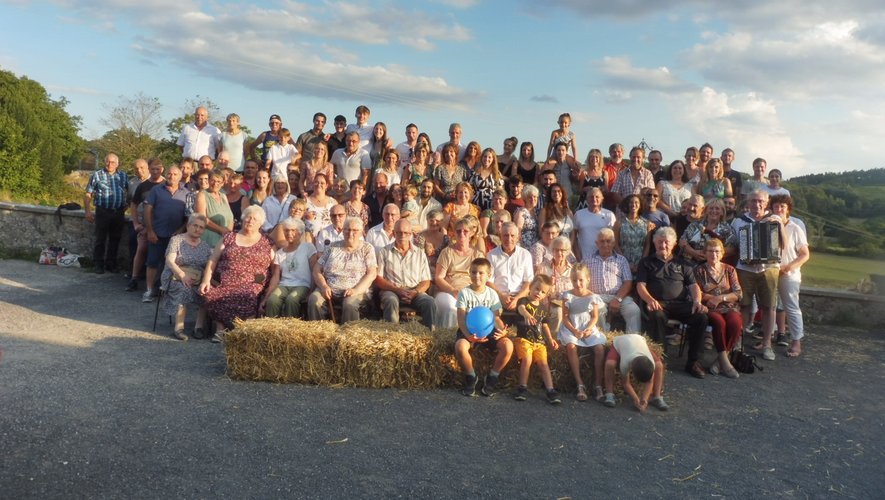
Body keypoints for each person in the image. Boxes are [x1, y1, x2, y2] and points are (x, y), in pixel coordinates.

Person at [635, 227, 709, 379]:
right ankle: (660, 359)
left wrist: (697, 301)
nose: (663, 245)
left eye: (667, 242)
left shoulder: (683, 263)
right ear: (655, 243)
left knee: (701, 317)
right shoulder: (646, 262)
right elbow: (640, 285)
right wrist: (650, 300)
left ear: (674, 244)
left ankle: (694, 362)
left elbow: (694, 286)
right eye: (660, 242)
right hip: (658, 304)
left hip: (680, 304)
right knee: (657, 316)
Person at [199, 205, 274, 340]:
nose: (250, 221)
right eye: (248, 217)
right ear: (243, 218)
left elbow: (275, 266)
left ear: (261, 223)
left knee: (247, 295)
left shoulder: (267, 241)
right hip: (226, 281)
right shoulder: (229, 237)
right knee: (213, 294)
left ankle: (243, 329)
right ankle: (220, 329)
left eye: (255, 219)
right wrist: (205, 280)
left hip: (252, 282)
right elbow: (213, 259)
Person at [731, 189, 786, 361]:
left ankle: (767, 343)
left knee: (769, 306)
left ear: (766, 202)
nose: (757, 204)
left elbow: (783, 244)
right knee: (743, 305)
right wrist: (745, 255)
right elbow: (732, 245)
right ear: (747, 202)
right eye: (753, 201)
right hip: (745, 268)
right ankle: (737, 341)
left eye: (760, 201)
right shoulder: (739, 221)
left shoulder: (775, 219)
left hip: (768, 269)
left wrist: (777, 226)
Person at [454, 258, 514, 397]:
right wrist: (468, 335)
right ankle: (471, 377)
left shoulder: (492, 294)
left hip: (489, 330)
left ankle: (492, 377)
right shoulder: (464, 293)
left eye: (481, 273)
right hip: (469, 329)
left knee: (508, 346)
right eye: (474, 272)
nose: (477, 276)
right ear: (469, 273)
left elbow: (496, 318)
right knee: (460, 347)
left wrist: (503, 332)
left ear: (488, 275)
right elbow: (461, 320)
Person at [308, 217, 377, 323]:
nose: (350, 233)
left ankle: (347, 335)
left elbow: (372, 273)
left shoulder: (367, 248)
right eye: (347, 229)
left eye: (355, 230)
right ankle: (318, 333)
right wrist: (323, 286)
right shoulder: (332, 247)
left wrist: (356, 290)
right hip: (329, 289)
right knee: (314, 300)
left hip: (355, 290)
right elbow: (317, 269)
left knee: (349, 304)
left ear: (361, 232)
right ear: (343, 231)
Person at [693, 239, 743, 377]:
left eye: (717, 251)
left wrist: (720, 298)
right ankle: (725, 363)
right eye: (710, 251)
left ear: (722, 254)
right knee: (719, 323)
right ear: (705, 253)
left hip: (729, 307)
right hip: (710, 309)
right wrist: (711, 299)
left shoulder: (729, 270)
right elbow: (697, 292)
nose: (713, 254)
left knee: (735, 323)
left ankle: (720, 360)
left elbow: (738, 293)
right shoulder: (699, 270)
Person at [375, 219, 437, 329]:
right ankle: (391, 335)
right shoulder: (384, 252)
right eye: (399, 232)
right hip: (392, 290)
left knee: (429, 302)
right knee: (390, 300)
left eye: (406, 233)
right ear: (394, 233)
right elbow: (378, 279)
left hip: (415, 291)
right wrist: (397, 290)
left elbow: (426, 280)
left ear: (411, 234)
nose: (402, 236)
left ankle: (430, 336)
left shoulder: (419, 253)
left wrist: (415, 292)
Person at [559, 263, 607, 402]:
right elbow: (565, 317)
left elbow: (595, 317)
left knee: (599, 348)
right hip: (571, 326)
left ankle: (598, 384)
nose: (578, 283)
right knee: (571, 346)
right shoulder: (567, 296)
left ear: (587, 279)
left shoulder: (593, 297)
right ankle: (580, 383)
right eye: (574, 280)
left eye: (581, 280)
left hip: (587, 326)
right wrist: (574, 330)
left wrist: (589, 329)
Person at [161, 214, 212, 340]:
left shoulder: (205, 246)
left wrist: (205, 281)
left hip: (197, 278)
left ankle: (198, 327)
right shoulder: (177, 240)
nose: (197, 229)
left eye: (201, 227)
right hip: (176, 275)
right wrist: (182, 275)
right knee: (184, 289)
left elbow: (208, 267)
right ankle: (179, 328)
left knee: (208, 292)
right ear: (188, 226)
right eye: (195, 225)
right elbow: (170, 261)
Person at [512, 274, 562, 404]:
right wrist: (527, 315)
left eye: (543, 292)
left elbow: (545, 325)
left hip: (539, 342)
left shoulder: (543, 308)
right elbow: (521, 309)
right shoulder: (523, 301)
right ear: (530, 287)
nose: (539, 293)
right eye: (536, 289)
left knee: (543, 364)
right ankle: (522, 387)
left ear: (546, 295)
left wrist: (550, 339)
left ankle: (550, 390)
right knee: (527, 359)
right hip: (523, 339)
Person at [770, 194, 809, 358]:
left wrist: (788, 267)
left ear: (788, 209)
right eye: (776, 206)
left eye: (782, 207)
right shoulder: (768, 224)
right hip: (770, 271)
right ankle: (767, 340)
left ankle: (796, 342)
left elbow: (805, 254)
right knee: (769, 306)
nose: (778, 209)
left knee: (791, 308)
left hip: (789, 274)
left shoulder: (795, 227)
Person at [143, 165, 188, 302]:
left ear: (180, 177)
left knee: (173, 264)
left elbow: (188, 217)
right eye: (169, 173)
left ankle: (167, 292)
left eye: (175, 174)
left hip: (175, 237)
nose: (171, 176)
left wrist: (180, 231)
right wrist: (150, 230)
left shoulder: (186, 193)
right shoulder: (156, 190)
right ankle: (149, 290)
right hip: (157, 233)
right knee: (152, 263)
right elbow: (147, 210)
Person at [587, 228, 642, 334]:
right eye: (602, 241)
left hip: (619, 296)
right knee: (598, 310)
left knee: (634, 310)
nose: (605, 244)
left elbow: (628, 282)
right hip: (597, 297)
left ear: (613, 243)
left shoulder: (621, 260)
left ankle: (633, 341)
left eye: (608, 241)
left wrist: (617, 299)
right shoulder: (587, 259)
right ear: (597, 243)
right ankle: (601, 342)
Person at [261, 217, 317, 319]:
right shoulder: (280, 253)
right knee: (273, 300)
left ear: (300, 233)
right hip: (284, 285)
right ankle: (271, 329)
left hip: (303, 285)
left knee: (291, 299)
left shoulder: (308, 247)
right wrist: (266, 297)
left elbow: (315, 270)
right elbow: (275, 277)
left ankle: (291, 330)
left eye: (293, 230)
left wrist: (312, 291)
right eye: (286, 230)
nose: (289, 233)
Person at [434, 217, 485, 328]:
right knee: (451, 308)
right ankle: (447, 338)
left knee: (476, 309)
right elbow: (438, 278)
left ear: (471, 233)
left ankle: (471, 340)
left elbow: (482, 278)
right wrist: (453, 291)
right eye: (458, 231)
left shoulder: (477, 254)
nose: (462, 234)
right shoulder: (447, 252)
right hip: (448, 292)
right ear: (454, 233)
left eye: (465, 231)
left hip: (471, 293)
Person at [84, 153, 129, 274]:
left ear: (118, 164)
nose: (110, 164)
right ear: (105, 162)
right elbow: (88, 194)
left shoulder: (123, 176)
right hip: (103, 211)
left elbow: (129, 192)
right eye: (108, 162)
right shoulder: (97, 175)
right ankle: (98, 264)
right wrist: (87, 211)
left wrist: (126, 206)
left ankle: (111, 264)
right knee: (100, 239)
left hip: (118, 212)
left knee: (115, 239)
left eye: (113, 162)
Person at [602, 333, 669, 411]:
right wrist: (636, 399)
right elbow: (625, 383)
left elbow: (650, 382)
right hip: (620, 341)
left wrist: (644, 399)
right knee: (610, 364)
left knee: (659, 365)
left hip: (639, 340)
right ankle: (609, 394)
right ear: (632, 371)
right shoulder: (625, 363)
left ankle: (657, 397)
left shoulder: (651, 363)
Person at [126, 158, 165, 291]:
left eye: (158, 169)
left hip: (161, 225)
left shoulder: (166, 183)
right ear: (149, 169)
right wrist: (136, 223)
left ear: (162, 169)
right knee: (141, 249)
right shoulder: (142, 186)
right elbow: (134, 204)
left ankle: (159, 282)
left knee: (162, 255)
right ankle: (134, 278)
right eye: (152, 169)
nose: (155, 171)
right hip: (145, 225)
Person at [488, 222, 534, 312]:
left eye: (512, 235)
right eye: (505, 235)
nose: (509, 239)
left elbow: (528, 282)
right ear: (500, 236)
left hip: (520, 297)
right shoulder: (491, 255)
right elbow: (489, 282)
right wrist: (501, 296)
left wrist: (517, 299)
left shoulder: (525, 255)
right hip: (497, 296)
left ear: (518, 237)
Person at [680, 198, 738, 266]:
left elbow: (732, 249)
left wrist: (709, 255)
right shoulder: (695, 225)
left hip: (714, 266)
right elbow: (682, 242)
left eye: (717, 209)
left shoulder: (727, 229)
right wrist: (694, 253)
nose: (714, 211)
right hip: (690, 265)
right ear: (706, 210)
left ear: (722, 212)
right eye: (711, 208)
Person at [573, 187, 617, 262]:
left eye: (597, 196)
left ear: (602, 199)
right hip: (584, 258)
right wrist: (578, 257)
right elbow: (574, 238)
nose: (594, 199)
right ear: (586, 199)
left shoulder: (609, 215)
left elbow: (614, 238)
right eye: (591, 197)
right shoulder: (578, 214)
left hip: (604, 259)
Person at [614, 194, 654, 272]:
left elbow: (647, 245)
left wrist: (641, 263)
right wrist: (625, 262)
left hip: (640, 264)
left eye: (636, 203)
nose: (633, 205)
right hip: (622, 263)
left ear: (640, 205)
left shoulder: (646, 223)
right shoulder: (619, 223)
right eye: (631, 202)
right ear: (627, 204)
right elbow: (615, 244)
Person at [194, 170, 234, 248]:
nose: (215, 184)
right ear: (208, 180)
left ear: (223, 183)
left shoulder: (223, 195)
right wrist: (221, 230)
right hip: (209, 239)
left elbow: (230, 216)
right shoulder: (202, 195)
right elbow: (202, 219)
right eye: (213, 180)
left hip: (225, 240)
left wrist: (228, 232)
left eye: (219, 181)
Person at [415, 208, 448, 276]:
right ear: (427, 220)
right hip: (423, 271)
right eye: (431, 220)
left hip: (441, 273)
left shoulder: (445, 239)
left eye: (437, 221)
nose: (434, 223)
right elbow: (418, 257)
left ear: (442, 222)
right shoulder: (420, 237)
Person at [304, 173, 337, 238]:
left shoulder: (333, 202)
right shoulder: (305, 202)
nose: (319, 185)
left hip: (328, 238)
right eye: (316, 182)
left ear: (326, 185)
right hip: (310, 239)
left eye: (322, 183)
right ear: (313, 183)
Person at [514, 184, 541, 249]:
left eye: (535, 197)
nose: (532, 199)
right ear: (525, 199)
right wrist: (522, 248)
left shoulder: (538, 212)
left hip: (536, 246)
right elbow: (518, 231)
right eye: (529, 197)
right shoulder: (521, 212)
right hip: (525, 246)